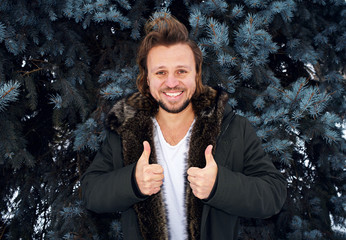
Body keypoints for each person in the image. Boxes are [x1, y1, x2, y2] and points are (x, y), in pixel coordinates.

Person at [81, 15, 287, 240]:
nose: (171, 82)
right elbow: (91, 192)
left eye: (181, 71)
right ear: (147, 78)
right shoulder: (124, 130)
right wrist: (132, 182)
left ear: (196, 75)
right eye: (161, 72)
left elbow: (273, 194)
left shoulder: (234, 128)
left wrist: (220, 186)